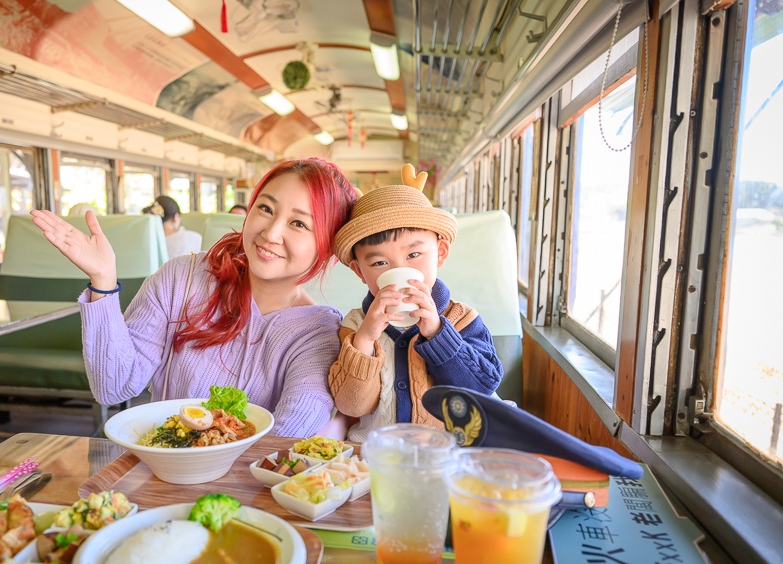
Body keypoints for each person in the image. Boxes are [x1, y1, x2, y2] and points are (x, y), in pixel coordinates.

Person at [31, 158, 358, 437]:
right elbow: (113, 387)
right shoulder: (181, 278)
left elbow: (286, 437)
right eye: (265, 208)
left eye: (299, 223)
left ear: (327, 245)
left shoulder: (318, 334)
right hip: (159, 470)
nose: (271, 233)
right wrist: (103, 281)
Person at [327, 164, 503, 442]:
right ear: (359, 271)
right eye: (379, 262)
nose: (398, 269)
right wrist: (365, 339)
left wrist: (436, 333)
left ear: (441, 253)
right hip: (375, 454)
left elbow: (483, 387)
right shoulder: (354, 325)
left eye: (414, 254)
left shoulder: (462, 319)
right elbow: (351, 405)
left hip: (445, 456)